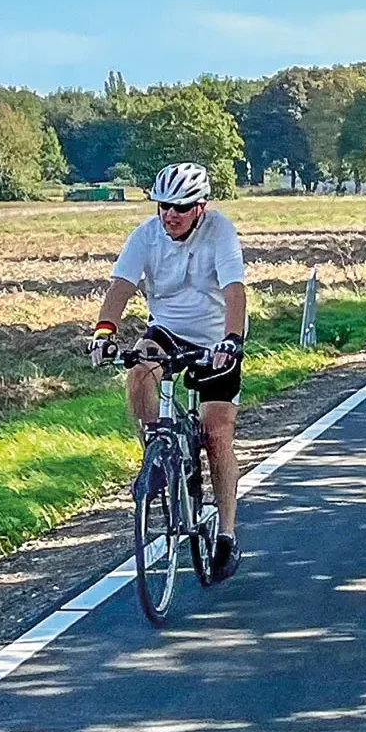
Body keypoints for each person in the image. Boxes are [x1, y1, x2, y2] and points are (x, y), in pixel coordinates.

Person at [88, 162, 248, 583]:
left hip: (217, 337)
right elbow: (121, 286)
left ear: (200, 207)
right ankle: (156, 449)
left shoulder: (221, 232)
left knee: (216, 434)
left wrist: (232, 341)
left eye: (179, 207)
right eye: (163, 206)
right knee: (140, 366)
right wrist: (104, 332)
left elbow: (235, 290)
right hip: (169, 330)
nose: (169, 215)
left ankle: (227, 534)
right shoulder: (146, 236)